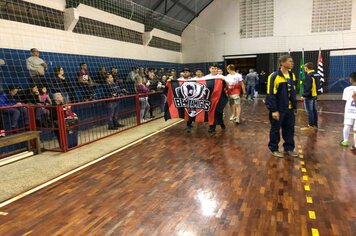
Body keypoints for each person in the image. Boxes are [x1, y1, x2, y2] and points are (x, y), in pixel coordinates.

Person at [265, 55, 298, 158]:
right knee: (275, 129)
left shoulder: (292, 75)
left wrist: (294, 106)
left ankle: (289, 148)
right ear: (282, 63)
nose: (292, 63)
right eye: (290, 61)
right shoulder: (274, 76)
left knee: (289, 129)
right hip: (278, 109)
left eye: (292, 61)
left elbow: (293, 92)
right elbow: (270, 94)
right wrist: (274, 110)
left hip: (289, 109)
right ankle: (274, 149)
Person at [205, 64, 227, 133]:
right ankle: (212, 126)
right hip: (210, 97)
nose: (214, 70)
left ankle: (221, 123)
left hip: (220, 97)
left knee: (218, 111)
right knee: (211, 112)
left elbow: (229, 82)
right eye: (212, 68)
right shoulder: (206, 77)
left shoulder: (221, 77)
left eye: (215, 68)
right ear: (209, 69)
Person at [301, 62, 320, 131]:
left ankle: (311, 125)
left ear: (306, 68)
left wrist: (304, 95)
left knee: (309, 111)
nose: (304, 69)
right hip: (315, 95)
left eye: (304, 68)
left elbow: (308, 87)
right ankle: (315, 125)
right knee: (314, 110)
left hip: (310, 95)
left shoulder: (309, 75)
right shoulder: (317, 74)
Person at [340, 72, 356, 150]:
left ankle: (345, 141)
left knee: (347, 125)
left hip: (349, 110)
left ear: (351, 79)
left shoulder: (347, 89)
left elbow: (345, 99)